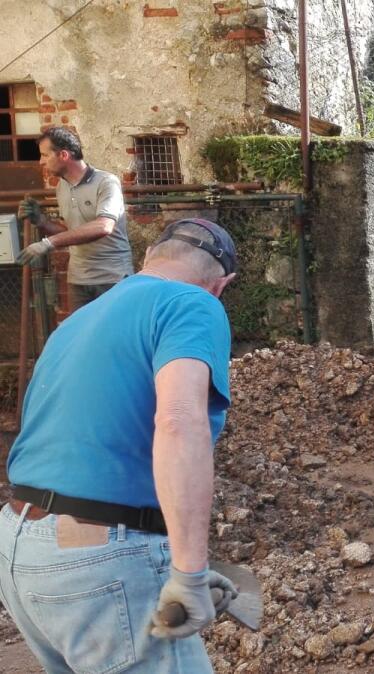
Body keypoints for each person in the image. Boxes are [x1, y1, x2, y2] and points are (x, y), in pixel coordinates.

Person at [0, 218, 239, 672]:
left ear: (150, 258)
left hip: (19, 548)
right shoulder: (192, 303)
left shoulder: (80, 319)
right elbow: (178, 420)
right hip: (95, 561)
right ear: (221, 284)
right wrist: (187, 574)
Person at [16, 126, 134, 311]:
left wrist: (47, 243)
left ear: (63, 155)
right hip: (78, 280)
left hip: (112, 278)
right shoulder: (62, 187)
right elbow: (71, 233)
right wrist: (41, 220)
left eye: (45, 155)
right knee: (81, 337)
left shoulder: (106, 182)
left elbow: (103, 226)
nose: (40, 162)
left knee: (117, 338)